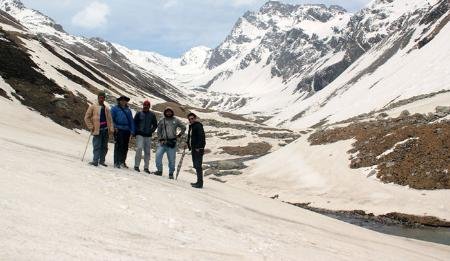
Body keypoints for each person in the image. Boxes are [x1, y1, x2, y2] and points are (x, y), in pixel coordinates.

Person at [84, 91, 114, 167]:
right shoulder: (93, 107)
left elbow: (110, 120)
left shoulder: (106, 108)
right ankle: (95, 160)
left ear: (104, 98)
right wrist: (91, 127)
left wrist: (111, 129)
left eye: (103, 97)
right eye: (100, 97)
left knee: (104, 146)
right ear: (98, 97)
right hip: (97, 129)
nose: (102, 99)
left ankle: (102, 161)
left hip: (105, 129)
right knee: (97, 145)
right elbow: (86, 118)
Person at [155, 107, 186, 179]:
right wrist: (160, 139)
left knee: (172, 159)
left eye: (170, 112)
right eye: (167, 112)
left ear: (172, 112)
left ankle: (171, 173)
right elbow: (159, 131)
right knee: (158, 156)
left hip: (172, 142)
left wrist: (179, 135)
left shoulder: (176, 120)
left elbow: (183, 127)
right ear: (165, 112)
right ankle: (159, 171)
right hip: (162, 142)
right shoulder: (162, 120)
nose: (168, 113)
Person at [133, 100, 158, 174]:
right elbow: (134, 123)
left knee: (147, 152)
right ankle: (136, 165)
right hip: (140, 134)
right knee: (139, 149)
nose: (146, 106)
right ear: (143, 105)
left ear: (149, 106)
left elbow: (155, 125)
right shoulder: (139, 113)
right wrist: (136, 131)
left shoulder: (152, 115)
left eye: (147, 105)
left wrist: (151, 131)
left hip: (148, 135)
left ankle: (146, 167)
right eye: (145, 105)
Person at [111, 95, 135, 169]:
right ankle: (116, 162)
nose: (123, 101)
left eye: (125, 100)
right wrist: (115, 127)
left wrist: (132, 131)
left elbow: (131, 121)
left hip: (126, 130)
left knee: (125, 146)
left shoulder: (128, 110)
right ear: (119, 101)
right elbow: (111, 119)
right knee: (118, 145)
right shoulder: (114, 109)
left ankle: (122, 162)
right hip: (118, 129)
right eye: (122, 100)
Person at [186, 113, 206, 188]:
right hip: (194, 148)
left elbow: (202, 137)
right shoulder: (191, 126)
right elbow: (191, 136)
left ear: (195, 118)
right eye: (189, 119)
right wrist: (188, 143)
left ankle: (200, 183)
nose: (191, 120)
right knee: (196, 165)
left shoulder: (198, 125)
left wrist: (199, 147)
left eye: (192, 118)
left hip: (198, 149)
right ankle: (198, 181)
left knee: (198, 165)